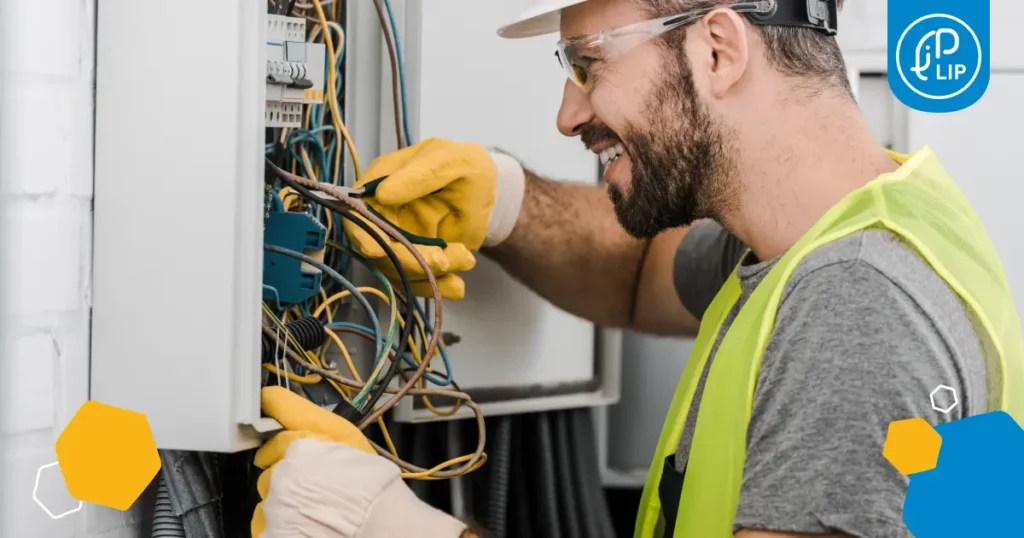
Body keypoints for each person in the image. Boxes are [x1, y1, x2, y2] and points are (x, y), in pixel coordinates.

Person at [251, 0, 1024, 537]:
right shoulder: (824, 232)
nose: (568, 113)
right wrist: (507, 203)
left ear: (718, 49)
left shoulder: (854, 303)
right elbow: (634, 276)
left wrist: (390, 529)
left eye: (590, 64)